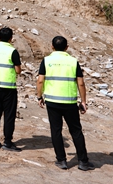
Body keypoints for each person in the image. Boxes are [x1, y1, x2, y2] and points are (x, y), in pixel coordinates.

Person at [36, 36, 95, 171]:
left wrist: (39, 97)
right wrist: (83, 101)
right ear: (67, 47)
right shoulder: (73, 62)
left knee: (56, 130)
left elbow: (40, 81)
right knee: (76, 131)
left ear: (52, 46)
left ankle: (61, 161)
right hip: (69, 102)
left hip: (52, 102)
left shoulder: (47, 60)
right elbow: (80, 82)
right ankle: (83, 162)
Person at [0, 27, 22, 152]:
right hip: (8, 87)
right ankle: (7, 142)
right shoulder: (12, 51)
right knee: (9, 115)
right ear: (10, 38)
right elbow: (18, 70)